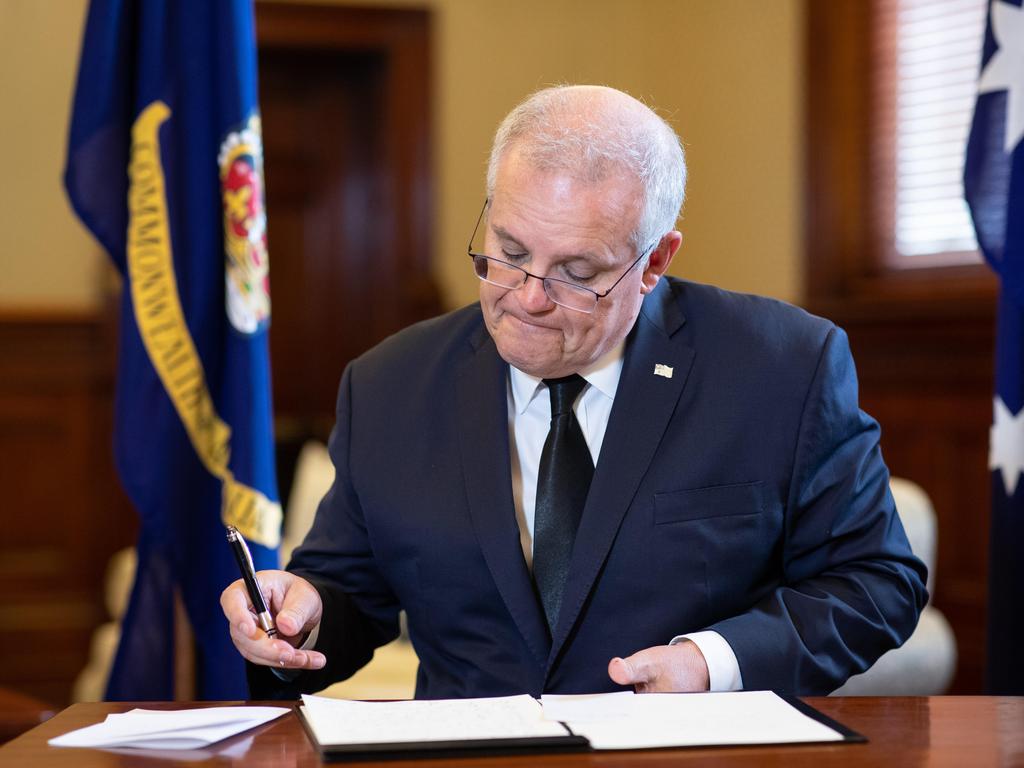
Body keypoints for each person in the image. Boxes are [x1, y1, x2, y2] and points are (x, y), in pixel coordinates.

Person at [221, 85, 927, 698]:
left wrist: (712, 663)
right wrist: (300, 611)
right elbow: (350, 594)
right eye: (511, 252)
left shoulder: (782, 367)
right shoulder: (388, 384)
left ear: (655, 261)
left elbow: (875, 582)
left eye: (576, 271)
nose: (527, 298)